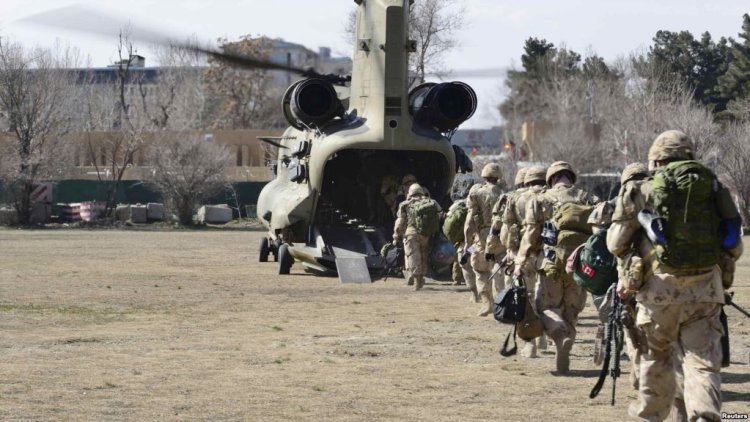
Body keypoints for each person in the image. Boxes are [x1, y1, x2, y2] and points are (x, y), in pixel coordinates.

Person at [607, 130, 743, 421]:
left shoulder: (641, 189)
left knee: (657, 357)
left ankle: (651, 416)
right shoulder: (713, 187)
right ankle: (704, 414)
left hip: (659, 292)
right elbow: (734, 244)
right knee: (703, 362)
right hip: (705, 290)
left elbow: (616, 243)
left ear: (656, 159)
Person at [514, 161, 596, 373]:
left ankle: (560, 336)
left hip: (550, 263)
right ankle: (566, 341)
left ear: (550, 179)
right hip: (580, 264)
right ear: (571, 177)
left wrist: (520, 260)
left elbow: (531, 233)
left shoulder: (541, 199)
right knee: (572, 311)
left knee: (546, 308)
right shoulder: (588, 198)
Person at [493, 165, 548, 357]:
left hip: (523, 254)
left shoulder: (515, 198)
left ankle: (531, 343)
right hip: (549, 255)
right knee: (546, 297)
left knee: (526, 298)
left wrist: (510, 251)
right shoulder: (552, 196)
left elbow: (508, 229)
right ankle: (544, 338)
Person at [465, 162, 506, 316]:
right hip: (500, 237)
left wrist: (467, 245)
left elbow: (469, 221)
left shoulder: (476, 192)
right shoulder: (505, 194)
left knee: (479, 269)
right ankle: (501, 302)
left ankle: (486, 303)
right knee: (499, 266)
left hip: (480, 239)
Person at [486, 167, 528, 296]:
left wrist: (489, 248)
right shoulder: (546, 197)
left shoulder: (510, 198)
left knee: (509, 278)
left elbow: (496, 225)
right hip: (537, 249)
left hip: (514, 247)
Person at [393, 183, 442, 291]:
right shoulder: (431, 202)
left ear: (410, 192)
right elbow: (440, 215)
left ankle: (417, 281)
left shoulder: (405, 204)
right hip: (425, 233)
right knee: (423, 255)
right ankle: (421, 278)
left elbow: (400, 221)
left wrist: (397, 235)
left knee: (413, 256)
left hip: (411, 232)